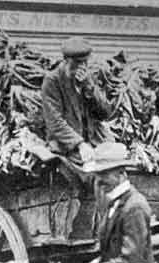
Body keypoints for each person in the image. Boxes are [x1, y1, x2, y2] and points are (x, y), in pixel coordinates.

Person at [41, 36, 114, 170]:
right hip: (67, 144)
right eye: (77, 63)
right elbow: (55, 122)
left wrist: (89, 87)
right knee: (91, 170)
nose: (82, 67)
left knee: (116, 160)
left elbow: (105, 113)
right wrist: (80, 144)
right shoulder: (52, 80)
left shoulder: (88, 76)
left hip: (93, 139)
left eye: (85, 62)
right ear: (66, 61)